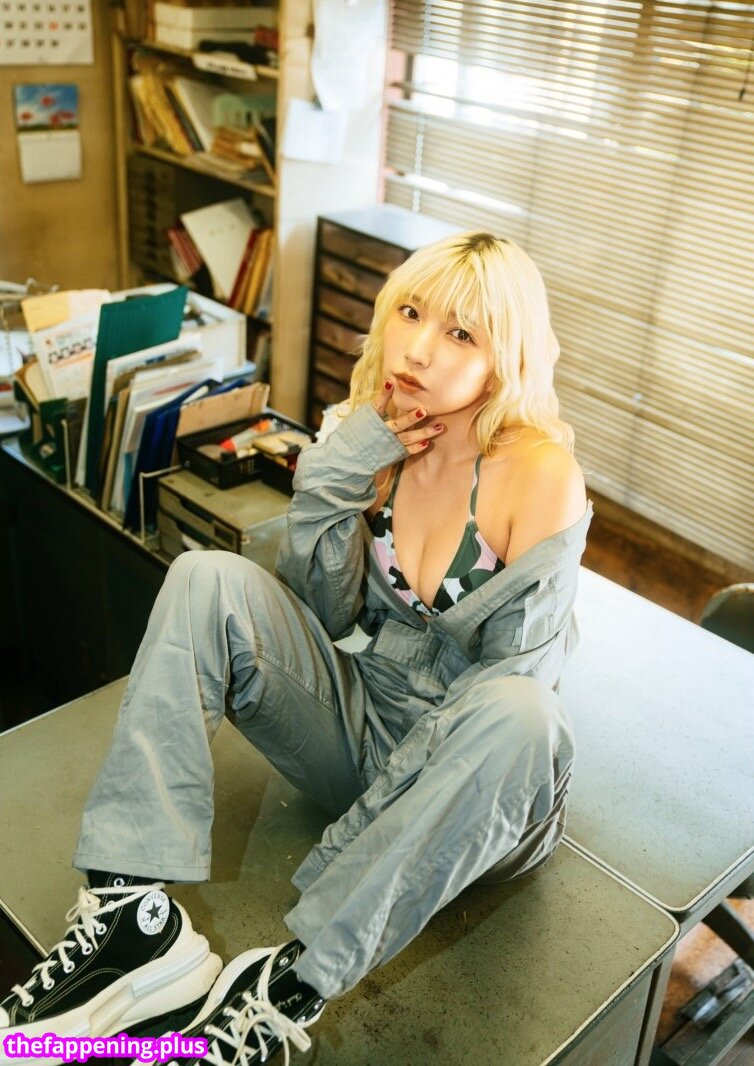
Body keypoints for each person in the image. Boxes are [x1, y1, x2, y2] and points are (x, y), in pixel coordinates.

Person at [0, 232, 590, 1065]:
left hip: (472, 795)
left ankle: (288, 986)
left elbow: (508, 697)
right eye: (410, 313)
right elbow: (322, 609)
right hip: (367, 733)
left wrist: (360, 839)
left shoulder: (539, 474)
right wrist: (345, 469)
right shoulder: (367, 430)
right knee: (205, 577)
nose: (418, 349)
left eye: (462, 333)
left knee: (525, 712)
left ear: (507, 357)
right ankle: (130, 918)